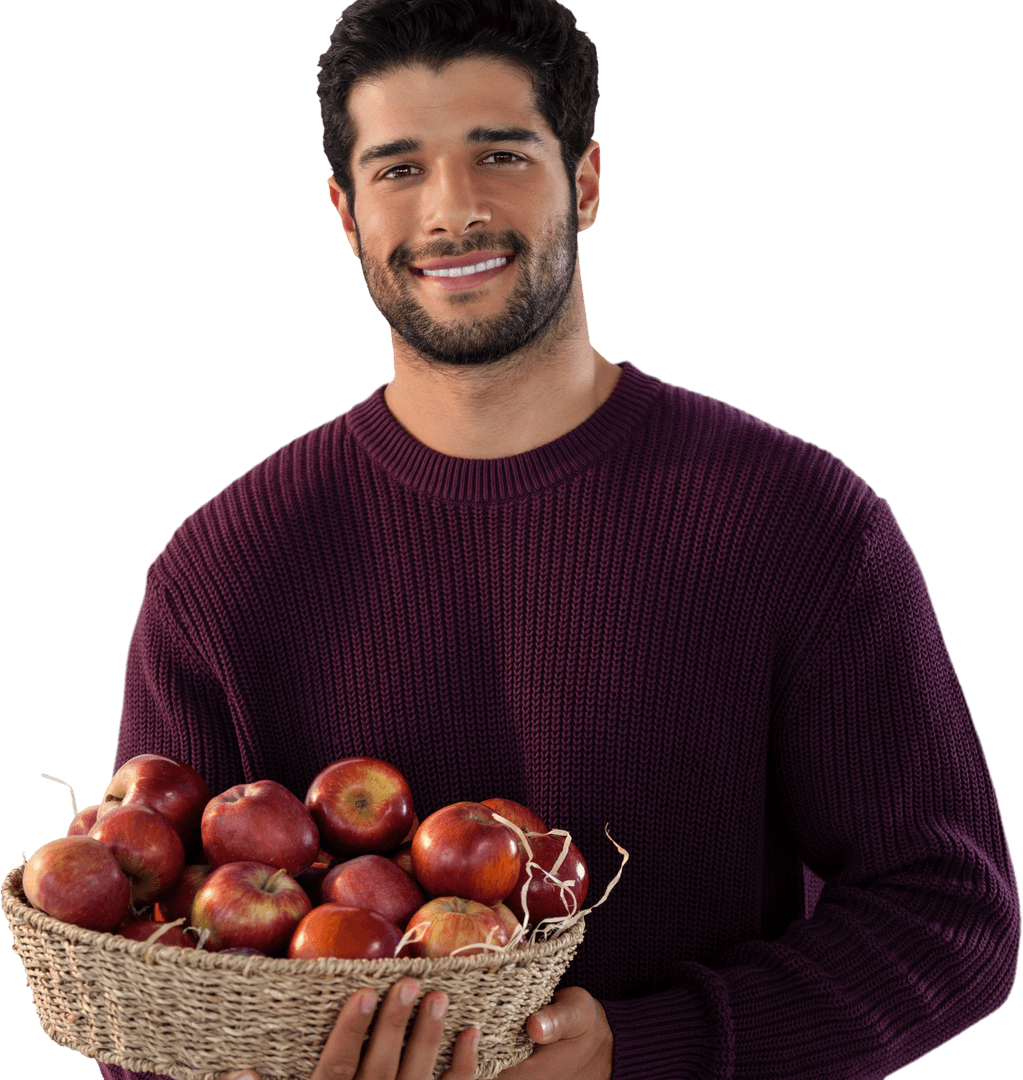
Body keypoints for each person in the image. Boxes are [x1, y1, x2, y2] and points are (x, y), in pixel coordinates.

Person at [98, 1, 1020, 1078]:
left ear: (582, 181)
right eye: (401, 170)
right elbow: (144, 987)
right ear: (346, 214)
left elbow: (953, 919)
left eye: (500, 154)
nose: (453, 210)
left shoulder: (795, 519)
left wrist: (649, 1050)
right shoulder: (226, 571)